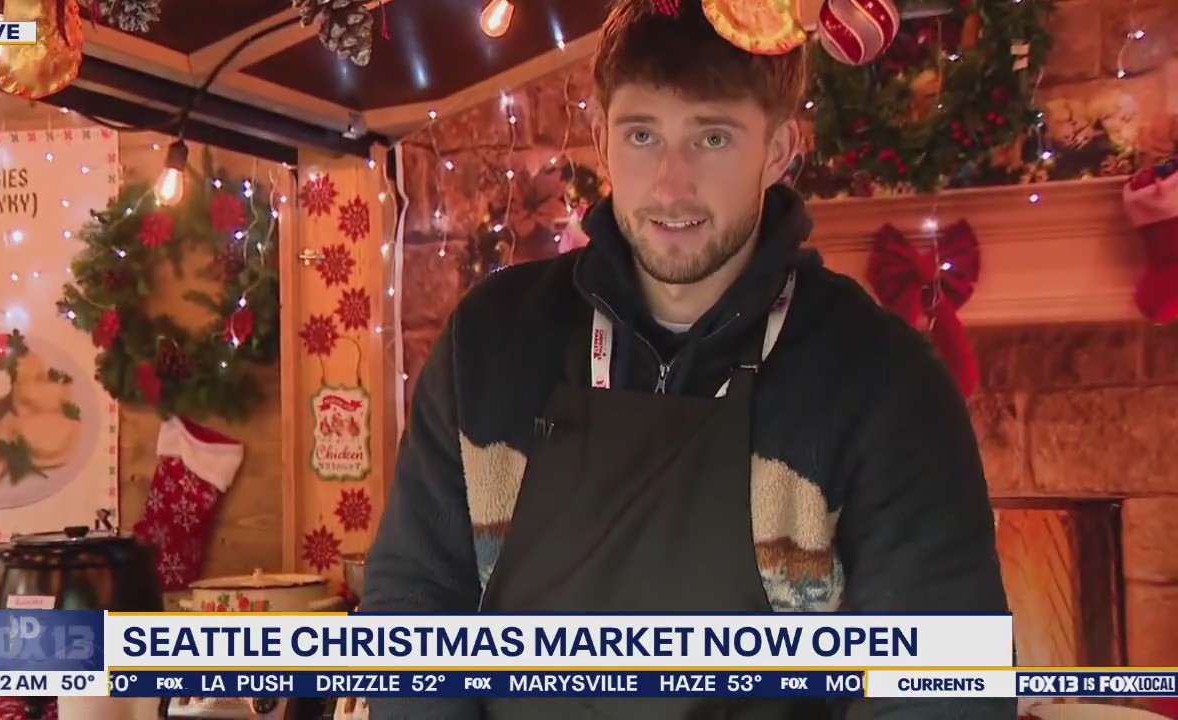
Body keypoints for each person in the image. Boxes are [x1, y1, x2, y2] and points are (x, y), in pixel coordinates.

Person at [363, 0, 1014, 717]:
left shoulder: (884, 383)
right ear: (603, 144)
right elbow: (411, 621)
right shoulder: (489, 345)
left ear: (779, 149)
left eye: (712, 137)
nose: (672, 185)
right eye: (643, 134)